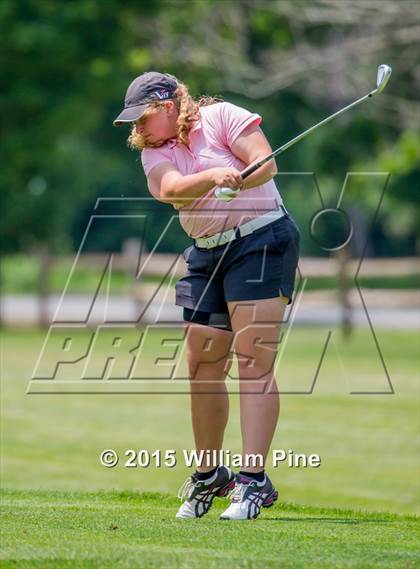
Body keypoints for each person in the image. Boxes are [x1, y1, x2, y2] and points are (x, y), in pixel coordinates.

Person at [114, 71, 300, 520]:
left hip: (261, 240)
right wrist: (214, 175)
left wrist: (243, 179)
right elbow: (169, 190)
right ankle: (209, 474)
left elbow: (265, 163)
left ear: (168, 105)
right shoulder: (155, 153)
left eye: (142, 118)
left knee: (254, 360)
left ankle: (252, 481)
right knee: (202, 364)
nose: (137, 129)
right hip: (206, 252)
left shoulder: (222, 117)